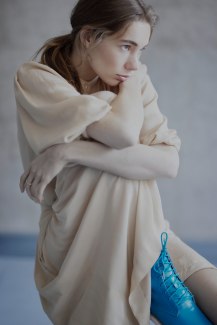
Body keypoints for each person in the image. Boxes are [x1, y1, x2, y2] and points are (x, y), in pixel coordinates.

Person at [14, 0, 217, 324]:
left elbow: (168, 164)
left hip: (148, 233)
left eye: (141, 51)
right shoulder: (36, 78)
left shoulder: (130, 80)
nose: (135, 63)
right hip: (83, 241)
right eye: (126, 46)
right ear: (89, 37)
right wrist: (122, 95)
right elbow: (122, 133)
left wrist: (68, 151)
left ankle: (153, 274)